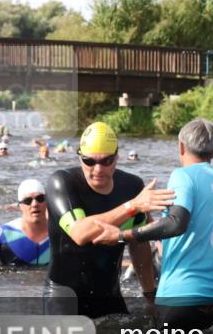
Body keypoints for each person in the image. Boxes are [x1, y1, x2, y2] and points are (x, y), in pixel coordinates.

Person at [90, 118, 213, 331]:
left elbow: (176, 223)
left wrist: (121, 235)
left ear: (181, 146)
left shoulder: (183, 175)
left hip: (182, 295)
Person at [44, 121, 173, 319]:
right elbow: (80, 233)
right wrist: (132, 206)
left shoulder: (132, 186)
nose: (98, 169)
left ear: (117, 157)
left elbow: (138, 246)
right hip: (64, 296)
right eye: (89, 161)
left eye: (106, 161)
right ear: (80, 158)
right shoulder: (62, 182)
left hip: (110, 295)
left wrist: (149, 295)